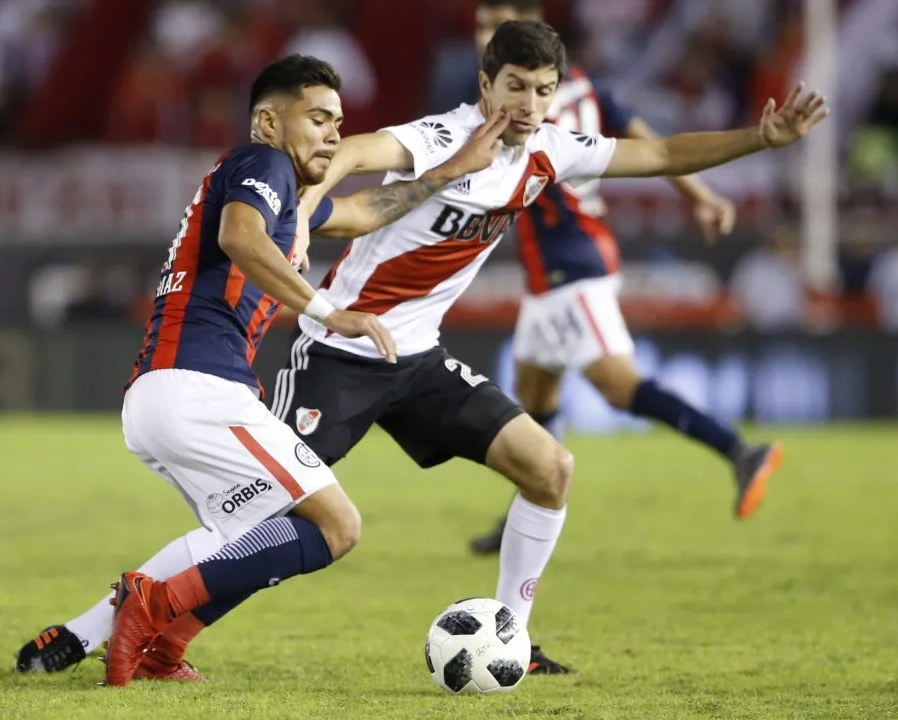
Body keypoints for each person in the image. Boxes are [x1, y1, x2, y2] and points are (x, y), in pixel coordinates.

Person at [264, 20, 826, 675]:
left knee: (550, 469)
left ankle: (512, 638)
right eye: (516, 87)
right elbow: (355, 153)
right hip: (340, 352)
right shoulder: (442, 136)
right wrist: (303, 212)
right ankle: (158, 610)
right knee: (266, 503)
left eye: (543, 90)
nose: (529, 105)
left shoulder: (552, 149)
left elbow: (664, 155)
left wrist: (761, 137)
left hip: (416, 359)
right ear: (484, 84)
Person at [14, 54, 510, 682]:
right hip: (200, 388)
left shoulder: (283, 197)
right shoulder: (260, 163)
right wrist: (332, 313)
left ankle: (110, 638)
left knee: (246, 535)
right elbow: (240, 239)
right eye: (318, 118)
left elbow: (365, 212)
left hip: (161, 397)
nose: (334, 133)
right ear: (269, 122)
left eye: (339, 122)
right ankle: (150, 606)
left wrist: (450, 172)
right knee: (336, 524)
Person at [465, 0, 784, 558]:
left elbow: (648, 150)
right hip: (555, 266)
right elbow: (646, 144)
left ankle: (739, 451)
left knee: (618, 386)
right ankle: (528, 509)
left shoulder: (519, 106)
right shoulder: (584, 85)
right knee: (536, 392)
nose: (484, 35)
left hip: (570, 259)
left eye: (494, 26)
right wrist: (703, 197)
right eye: (481, 26)